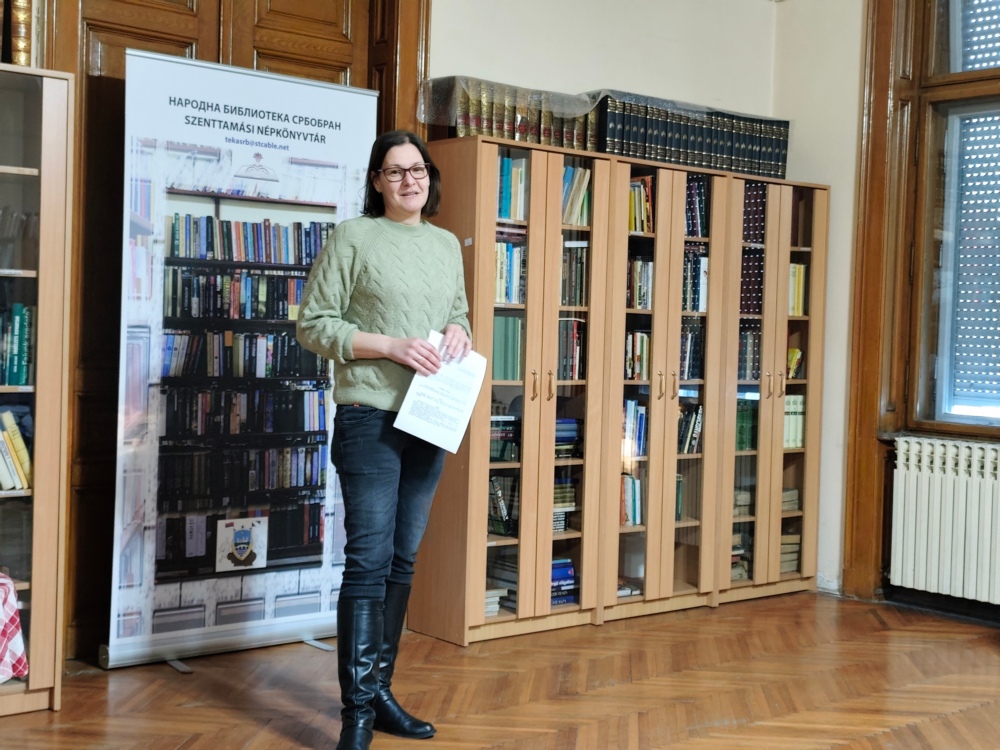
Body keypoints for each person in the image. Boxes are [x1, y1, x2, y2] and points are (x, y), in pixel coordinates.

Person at [296, 130, 471, 750]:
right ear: (376, 181)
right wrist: (391, 346)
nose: (408, 180)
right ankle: (357, 717)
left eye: (417, 169)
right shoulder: (353, 237)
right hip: (369, 414)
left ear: (429, 176)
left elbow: (457, 315)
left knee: (402, 559)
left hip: (430, 417)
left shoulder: (445, 244)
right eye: (394, 171)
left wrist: (458, 330)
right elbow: (313, 325)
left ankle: (381, 695)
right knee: (368, 561)